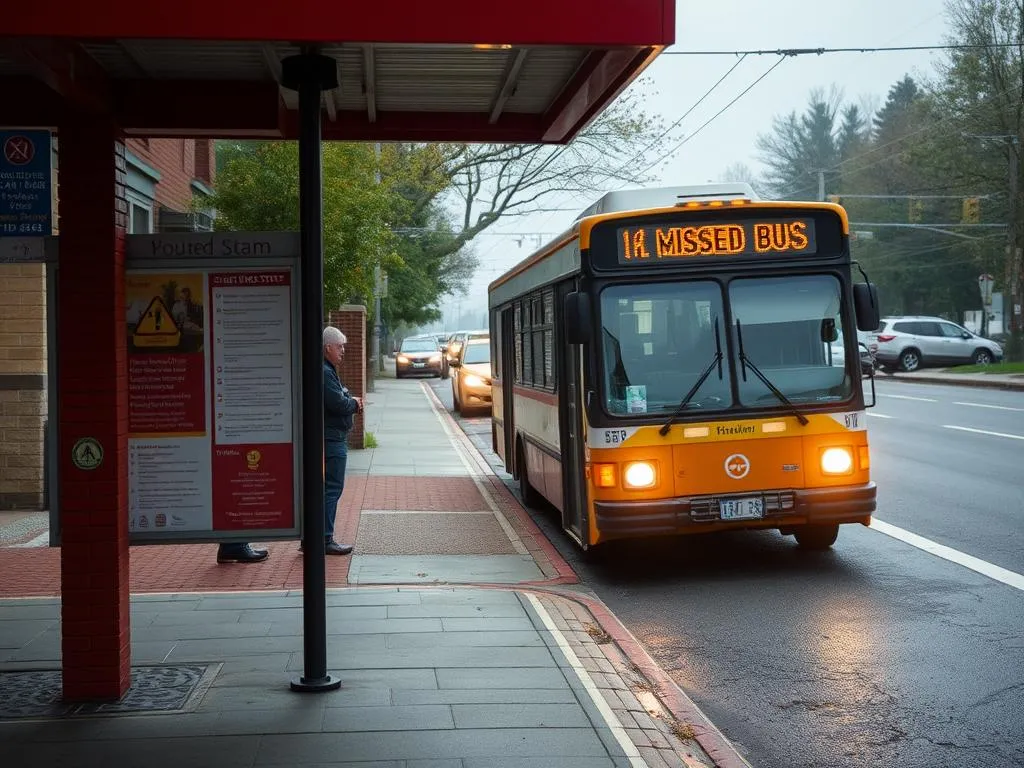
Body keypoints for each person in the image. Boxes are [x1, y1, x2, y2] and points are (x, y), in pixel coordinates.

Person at [317, 326, 362, 556]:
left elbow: (341, 395)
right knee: (332, 488)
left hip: (331, 436)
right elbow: (338, 403)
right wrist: (354, 403)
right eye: (340, 346)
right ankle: (324, 539)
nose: (343, 350)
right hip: (332, 438)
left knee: (323, 490)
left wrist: (347, 397)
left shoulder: (327, 369)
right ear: (328, 348)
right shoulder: (325, 372)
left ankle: (314, 538)